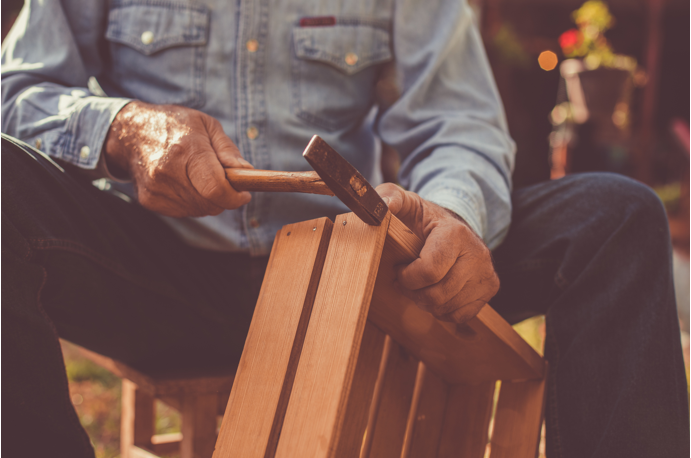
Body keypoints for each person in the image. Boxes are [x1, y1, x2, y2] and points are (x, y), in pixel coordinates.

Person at [2, 0, 688, 457]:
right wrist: (122, 128)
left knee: (614, 216)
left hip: (359, 281)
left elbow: (457, 123)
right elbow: (16, 94)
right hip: (166, 281)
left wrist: (450, 214)